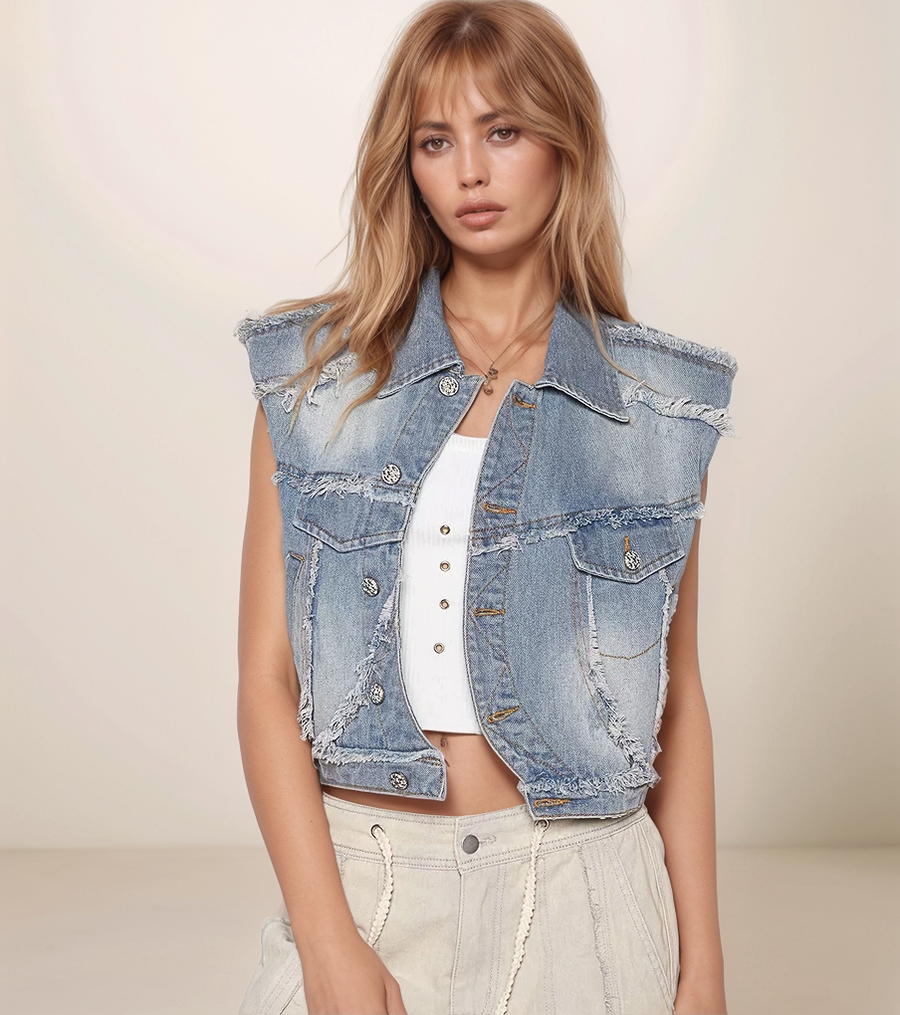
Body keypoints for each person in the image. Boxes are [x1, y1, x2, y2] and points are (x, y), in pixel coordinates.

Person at [234, 2, 737, 1013]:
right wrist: (327, 943)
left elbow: (678, 706)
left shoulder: (654, 408)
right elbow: (264, 682)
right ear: (406, 163)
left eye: (502, 131)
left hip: (589, 898)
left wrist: (703, 969)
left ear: (565, 142)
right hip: (369, 891)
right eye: (436, 140)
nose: (469, 170)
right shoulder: (317, 382)